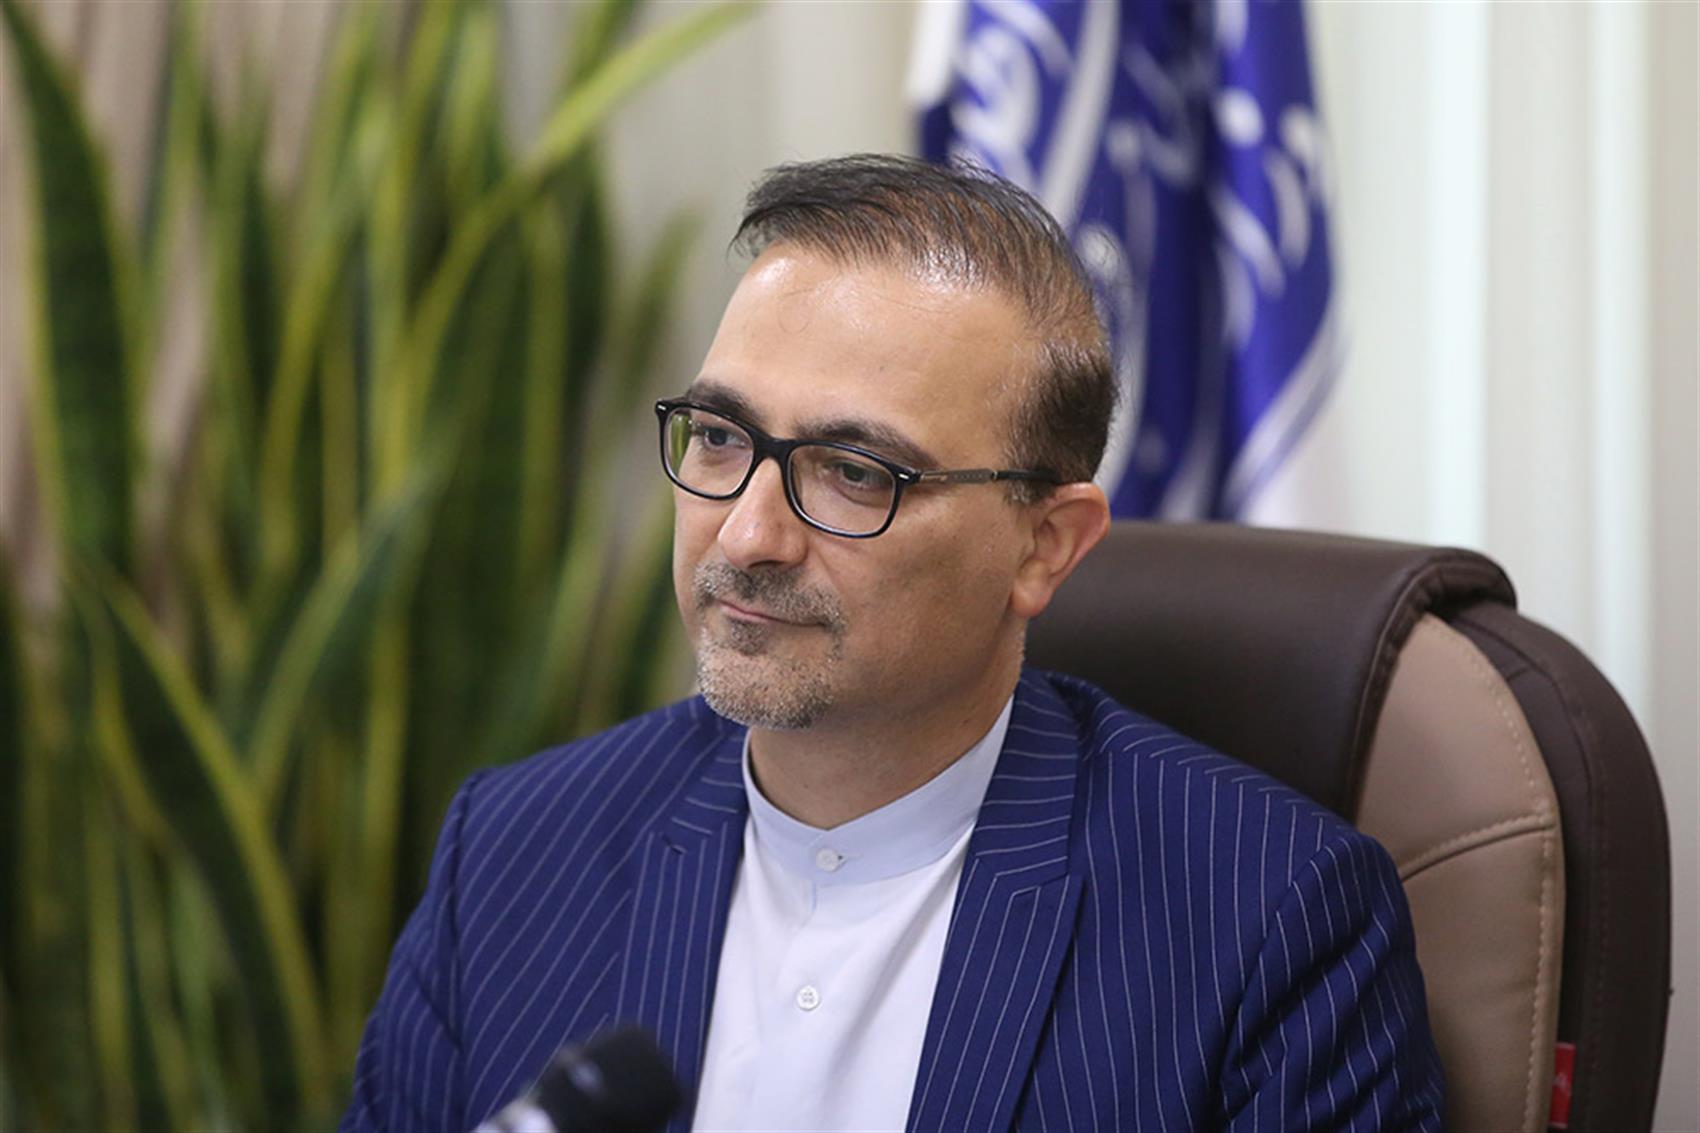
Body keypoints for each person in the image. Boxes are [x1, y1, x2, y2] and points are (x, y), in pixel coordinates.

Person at [343, 154, 1445, 1133]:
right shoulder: (512, 851)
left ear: (1043, 546)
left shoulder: (1270, 916)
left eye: (854, 472)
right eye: (720, 436)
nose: (747, 534)